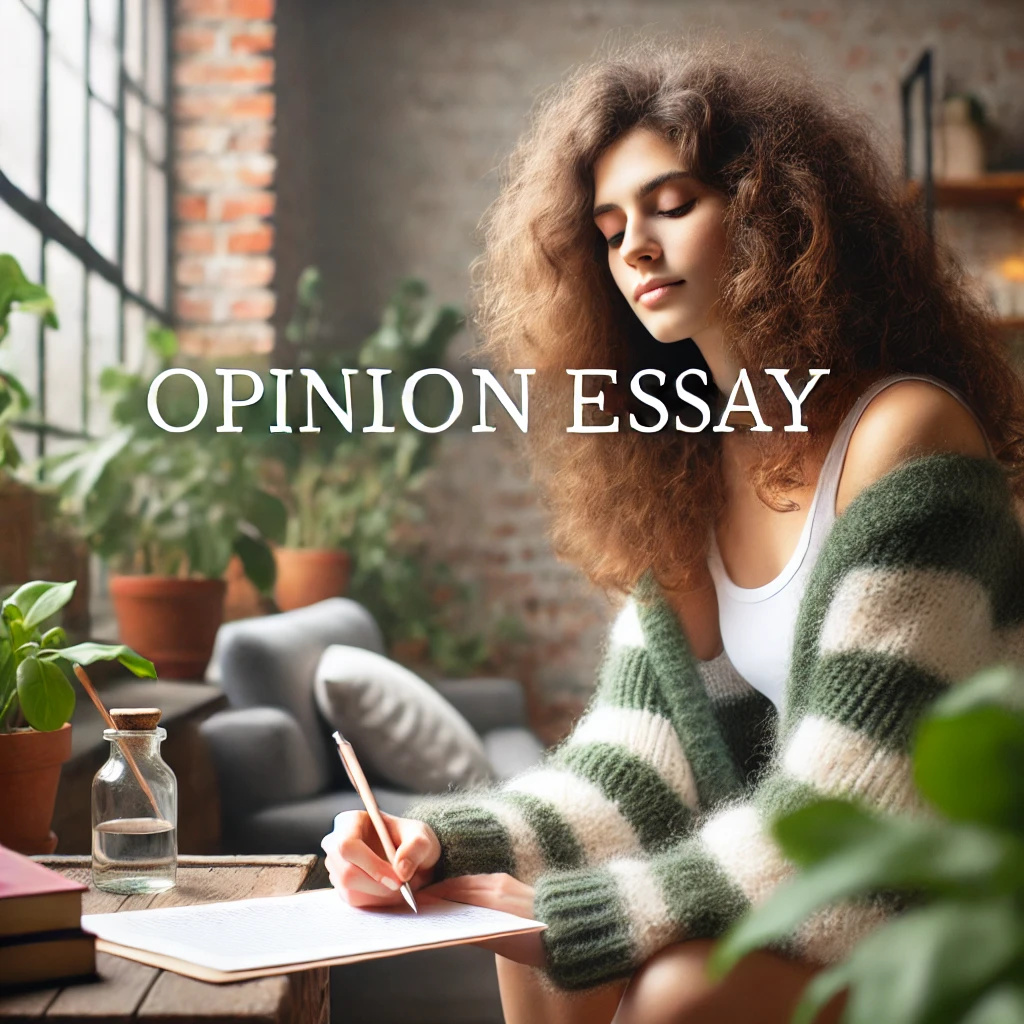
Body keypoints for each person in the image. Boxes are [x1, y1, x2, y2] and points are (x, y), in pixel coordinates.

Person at [321, 35, 1024, 1024]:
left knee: (665, 984)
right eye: (609, 230)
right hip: (814, 897)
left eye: (671, 205)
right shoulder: (688, 463)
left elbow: (856, 804)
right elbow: (637, 763)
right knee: (516, 938)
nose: (634, 251)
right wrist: (449, 844)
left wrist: (579, 913)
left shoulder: (905, 438)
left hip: (938, 917)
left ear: (775, 210)